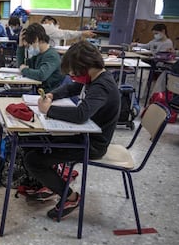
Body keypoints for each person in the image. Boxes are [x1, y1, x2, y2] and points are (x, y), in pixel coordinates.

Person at [24, 40, 120, 220]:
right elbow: (72, 87)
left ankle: (70, 197)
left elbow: (81, 114)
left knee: (33, 160)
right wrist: (52, 95)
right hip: (83, 135)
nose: (73, 76)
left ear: (85, 67)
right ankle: (53, 184)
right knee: (32, 140)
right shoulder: (94, 77)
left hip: (93, 145)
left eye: (74, 72)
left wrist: (49, 110)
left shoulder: (102, 86)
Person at [17, 23, 63, 92]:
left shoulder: (51, 56)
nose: (30, 47)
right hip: (39, 91)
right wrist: (21, 46)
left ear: (36, 40)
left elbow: (41, 75)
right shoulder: (39, 54)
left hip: (49, 94)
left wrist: (24, 70)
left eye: (30, 44)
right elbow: (21, 65)